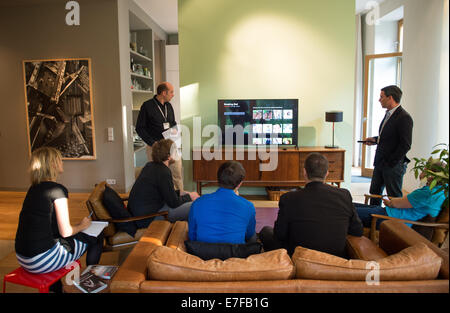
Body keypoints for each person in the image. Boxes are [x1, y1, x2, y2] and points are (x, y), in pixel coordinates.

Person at [15, 147, 103, 276]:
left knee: (77, 234)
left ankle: (56, 287)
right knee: (97, 235)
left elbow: (50, 224)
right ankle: (90, 278)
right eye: (60, 160)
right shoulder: (58, 190)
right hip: (42, 261)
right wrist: (83, 225)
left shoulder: (33, 189)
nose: (62, 163)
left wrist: (78, 227)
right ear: (52, 164)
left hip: (22, 258)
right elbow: (66, 232)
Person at [259, 153, 363, 258]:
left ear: (304, 172)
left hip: (297, 257)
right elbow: (357, 230)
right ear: (327, 173)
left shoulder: (288, 198)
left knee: (265, 232)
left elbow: (280, 235)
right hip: (334, 258)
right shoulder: (344, 195)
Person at [127, 139, 199, 228]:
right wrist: (190, 196)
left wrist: (181, 192)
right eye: (175, 151)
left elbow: (164, 193)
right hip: (148, 218)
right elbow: (173, 203)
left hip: (141, 213)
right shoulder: (163, 171)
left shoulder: (150, 166)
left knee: (192, 204)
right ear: (168, 156)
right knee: (197, 206)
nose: (177, 153)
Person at [354, 161, 446, 229]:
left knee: (346, 210)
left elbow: (394, 203)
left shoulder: (426, 193)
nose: (422, 172)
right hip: (392, 214)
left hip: (390, 219)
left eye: (424, 170)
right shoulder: (442, 191)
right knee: (349, 205)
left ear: (430, 175)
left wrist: (389, 202)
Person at [363, 85, 413, 205]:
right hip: (381, 162)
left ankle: (393, 221)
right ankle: (372, 219)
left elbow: (405, 144)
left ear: (390, 97)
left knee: (393, 197)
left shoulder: (404, 117)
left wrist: (391, 162)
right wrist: (375, 140)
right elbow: (389, 138)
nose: (379, 100)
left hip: (392, 165)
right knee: (374, 192)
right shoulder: (388, 114)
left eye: (381, 97)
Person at [188, 161, 256, 244]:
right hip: (236, 254)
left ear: (218, 179)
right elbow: (248, 234)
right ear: (239, 184)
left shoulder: (197, 203)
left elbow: (192, 236)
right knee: (254, 235)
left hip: (203, 254)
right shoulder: (248, 206)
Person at [135, 82, 184, 191]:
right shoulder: (147, 106)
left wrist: (176, 130)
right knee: (158, 176)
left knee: (177, 174)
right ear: (163, 93)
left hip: (171, 145)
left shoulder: (169, 106)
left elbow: (172, 122)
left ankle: (180, 198)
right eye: (171, 92)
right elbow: (140, 128)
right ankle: (161, 202)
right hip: (155, 147)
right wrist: (153, 143)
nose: (173, 94)